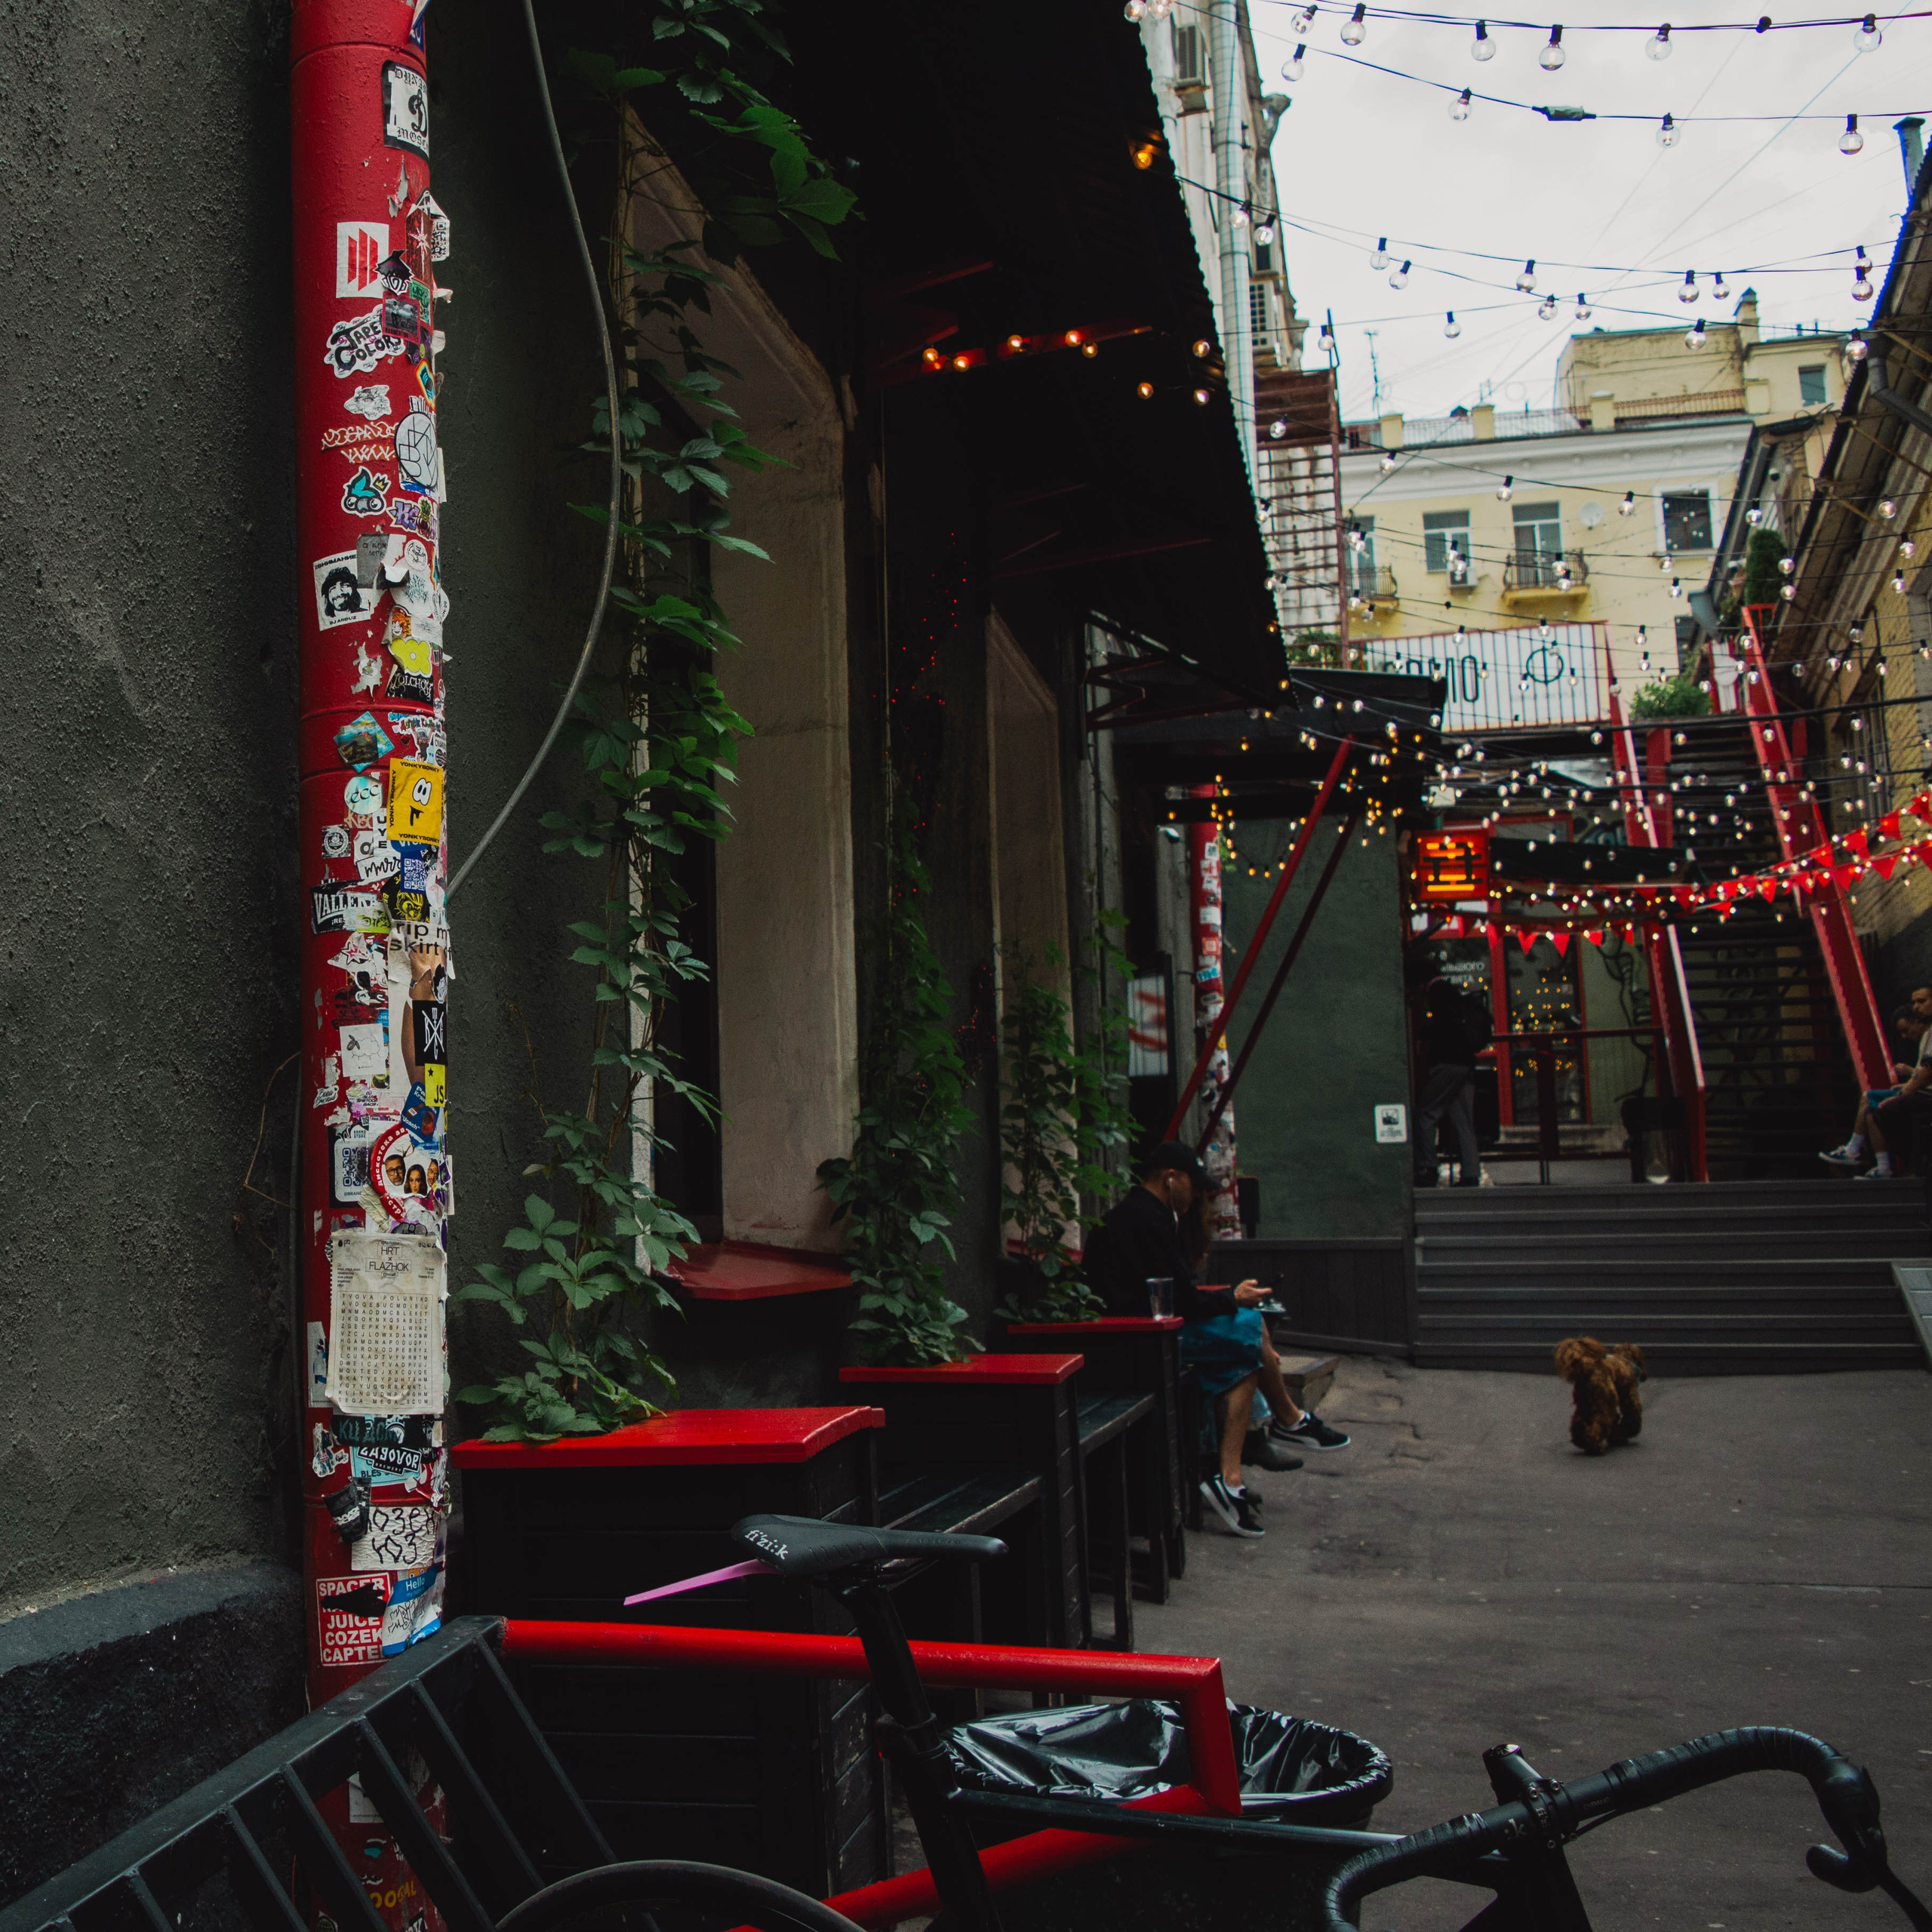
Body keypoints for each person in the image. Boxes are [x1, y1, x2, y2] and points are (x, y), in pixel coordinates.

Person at [1091, 1143, 1349, 1539]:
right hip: (1141, 1341)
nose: (1197, 1196)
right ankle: (1289, 1419)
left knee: (1244, 1361)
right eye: (1193, 1187)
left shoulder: (1145, 1216)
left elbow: (1177, 1295)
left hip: (1144, 1334)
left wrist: (1230, 1300)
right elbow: (1180, 1298)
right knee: (1248, 1326)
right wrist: (1232, 1298)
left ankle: (1229, 1481)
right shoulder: (1148, 1220)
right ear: (1170, 1178)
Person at [1821, 995, 1930, 1174]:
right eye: (1914, 1003)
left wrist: (1905, 1090)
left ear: (1916, 1023)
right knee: (1871, 1112)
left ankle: (1854, 1149)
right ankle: (1883, 1166)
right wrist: (1907, 1084)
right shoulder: (1926, 1039)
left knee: (1871, 1099)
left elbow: (1927, 1072)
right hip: (1921, 1091)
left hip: (1925, 1095)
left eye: (1922, 1001)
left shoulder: (1930, 1035)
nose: (1905, 1036)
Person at [1409, 955, 1491, 1188]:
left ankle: (1428, 1167)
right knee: (1463, 1119)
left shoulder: (1438, 994)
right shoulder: (1453, 993)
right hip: (1465, 1064)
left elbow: (1442, 1027)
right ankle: (1470, 1172)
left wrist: (1424, 1033)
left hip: (1447, 1063)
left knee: (1426, 1112)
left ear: (1421, 982)